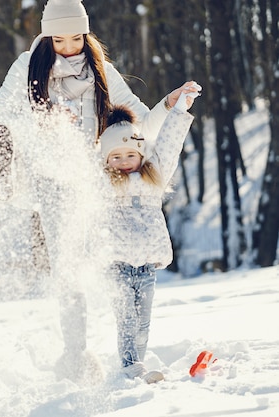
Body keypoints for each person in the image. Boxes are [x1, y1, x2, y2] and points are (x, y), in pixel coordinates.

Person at [0, 0, 197, 382]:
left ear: (86, 34)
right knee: (69, 269)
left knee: (116, 263)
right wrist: (39, 121)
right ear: (46, 37)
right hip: (52, 181)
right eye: (58, 39)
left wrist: (169, 104)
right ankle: (75, 354)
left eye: (75, 37)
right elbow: (2, 119)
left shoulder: (101, 70)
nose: (67, 46)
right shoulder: (28, 67)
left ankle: (130, 355)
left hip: (98, 179)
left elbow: (140, 121)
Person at [99, 85, 200, 384]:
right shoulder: (103, 184)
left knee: (142, 323)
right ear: (105, 160)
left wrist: (180, 110)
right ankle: (132, 370)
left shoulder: (153, 177)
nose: (124, 161)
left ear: (141, 153)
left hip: (146, 267)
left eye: (130, 154)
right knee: (127, 321)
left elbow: (169, 145)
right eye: (115, 157)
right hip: (116, 266)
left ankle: (135, 367)